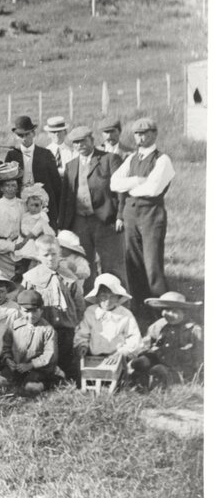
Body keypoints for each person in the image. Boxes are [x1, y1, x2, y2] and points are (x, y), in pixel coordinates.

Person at [110, 117, 174, 315]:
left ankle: (161, 311)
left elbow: (153, 189)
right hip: (130, 214)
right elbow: (114, 183)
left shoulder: (162, 159)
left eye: (145, 133)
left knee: (152, 264)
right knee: (133, 262)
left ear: (154, 134)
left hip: (151, 214)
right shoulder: (131, 158)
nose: (140, 137)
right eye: (137, 134)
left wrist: (129, 186)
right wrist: (138, 180)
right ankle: (139, 309)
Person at [58, 126, 126, 283]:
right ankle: (89, 297)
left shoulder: (109, 159)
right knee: (84, 264)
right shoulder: (71, 165)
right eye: (76, 143)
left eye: (83, 141)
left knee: (112, 264)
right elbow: (65, 197)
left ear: (92, 140)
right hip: (80, 221)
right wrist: (63, 224)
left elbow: (122, 191)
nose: (80, 145)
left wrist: (120, 216)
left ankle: (117, 296)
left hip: (105, 220)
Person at [21, 234, 85, 380]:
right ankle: (44, 378)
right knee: (44, 356)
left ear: (60, 253)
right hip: (42, 326)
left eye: (54, 254)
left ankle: (68, 379)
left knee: (66, 356)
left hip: (65, 326)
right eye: (46, 255)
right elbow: (24, 301)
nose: (50, 258)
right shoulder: (31, 277)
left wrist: (75, 321)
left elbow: (79, 303)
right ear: (38, 255)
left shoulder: (69, 277)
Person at [131, 292, 203, 390]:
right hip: (159, 359)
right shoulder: (160, 325)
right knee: (139, 363)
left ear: (185, 312)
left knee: (158, 370)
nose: (168, 314)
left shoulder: (194, 330)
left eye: (174, 311)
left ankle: (155, 386)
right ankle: (139, 382)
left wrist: (199, 375)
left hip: (180, 369)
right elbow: (146, 344)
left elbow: (200, 357)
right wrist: (144, 355)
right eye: (165, 310)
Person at [74, 274, 141, 374]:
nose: (108, 301)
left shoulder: (125, 315)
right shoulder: (91, 312)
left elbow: (134, 338)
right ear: (97, 296)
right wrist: (83, 345)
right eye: (103, 296)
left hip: (117, 356)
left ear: (118, 297)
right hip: (93, 357)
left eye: (112, 297)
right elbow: (83, 332)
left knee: (117, 377)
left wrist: (122, 352)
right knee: (87, 375)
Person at [0, 289, 59, 395]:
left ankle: (50, 382)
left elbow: (50, 354)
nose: (31, 315)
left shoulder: (47, 330)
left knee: (31, 387)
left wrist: (31, 365)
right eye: (26, 311)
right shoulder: (14, 326)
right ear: (20, 310)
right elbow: (6, 347)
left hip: (37, 369)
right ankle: (15, 382)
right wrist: (8, 359)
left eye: (35, 311)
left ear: (41, 310)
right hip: (17, 367)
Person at [4, 115, 62, 227]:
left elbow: (56, 184)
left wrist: (58, 210)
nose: (24, 138)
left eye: (27, 134)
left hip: (43, 202)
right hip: (20, 201)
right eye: (20, 135)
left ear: (33, 134)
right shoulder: (12, 155)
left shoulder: (45, 154)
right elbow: (6, 181)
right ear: (16, 136)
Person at [0, 162, 25, 278]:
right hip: (1, 255)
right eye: (7, 185)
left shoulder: (23, 205)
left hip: (21, 252)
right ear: (1, 188)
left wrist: (21, 245)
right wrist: (12, 247)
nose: (10, 189)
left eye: (13, 185)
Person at [13, 184, 55, 264]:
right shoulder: (26, 215)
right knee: (23, 259)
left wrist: (26, 239)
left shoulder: (42, 216)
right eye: (31, 205)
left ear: (42, 205)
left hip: (34, 241)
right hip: (23, 240)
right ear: (27, 205)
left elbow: (37, 229)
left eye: (37, 205)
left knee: (34, 259)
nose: (34, 208)